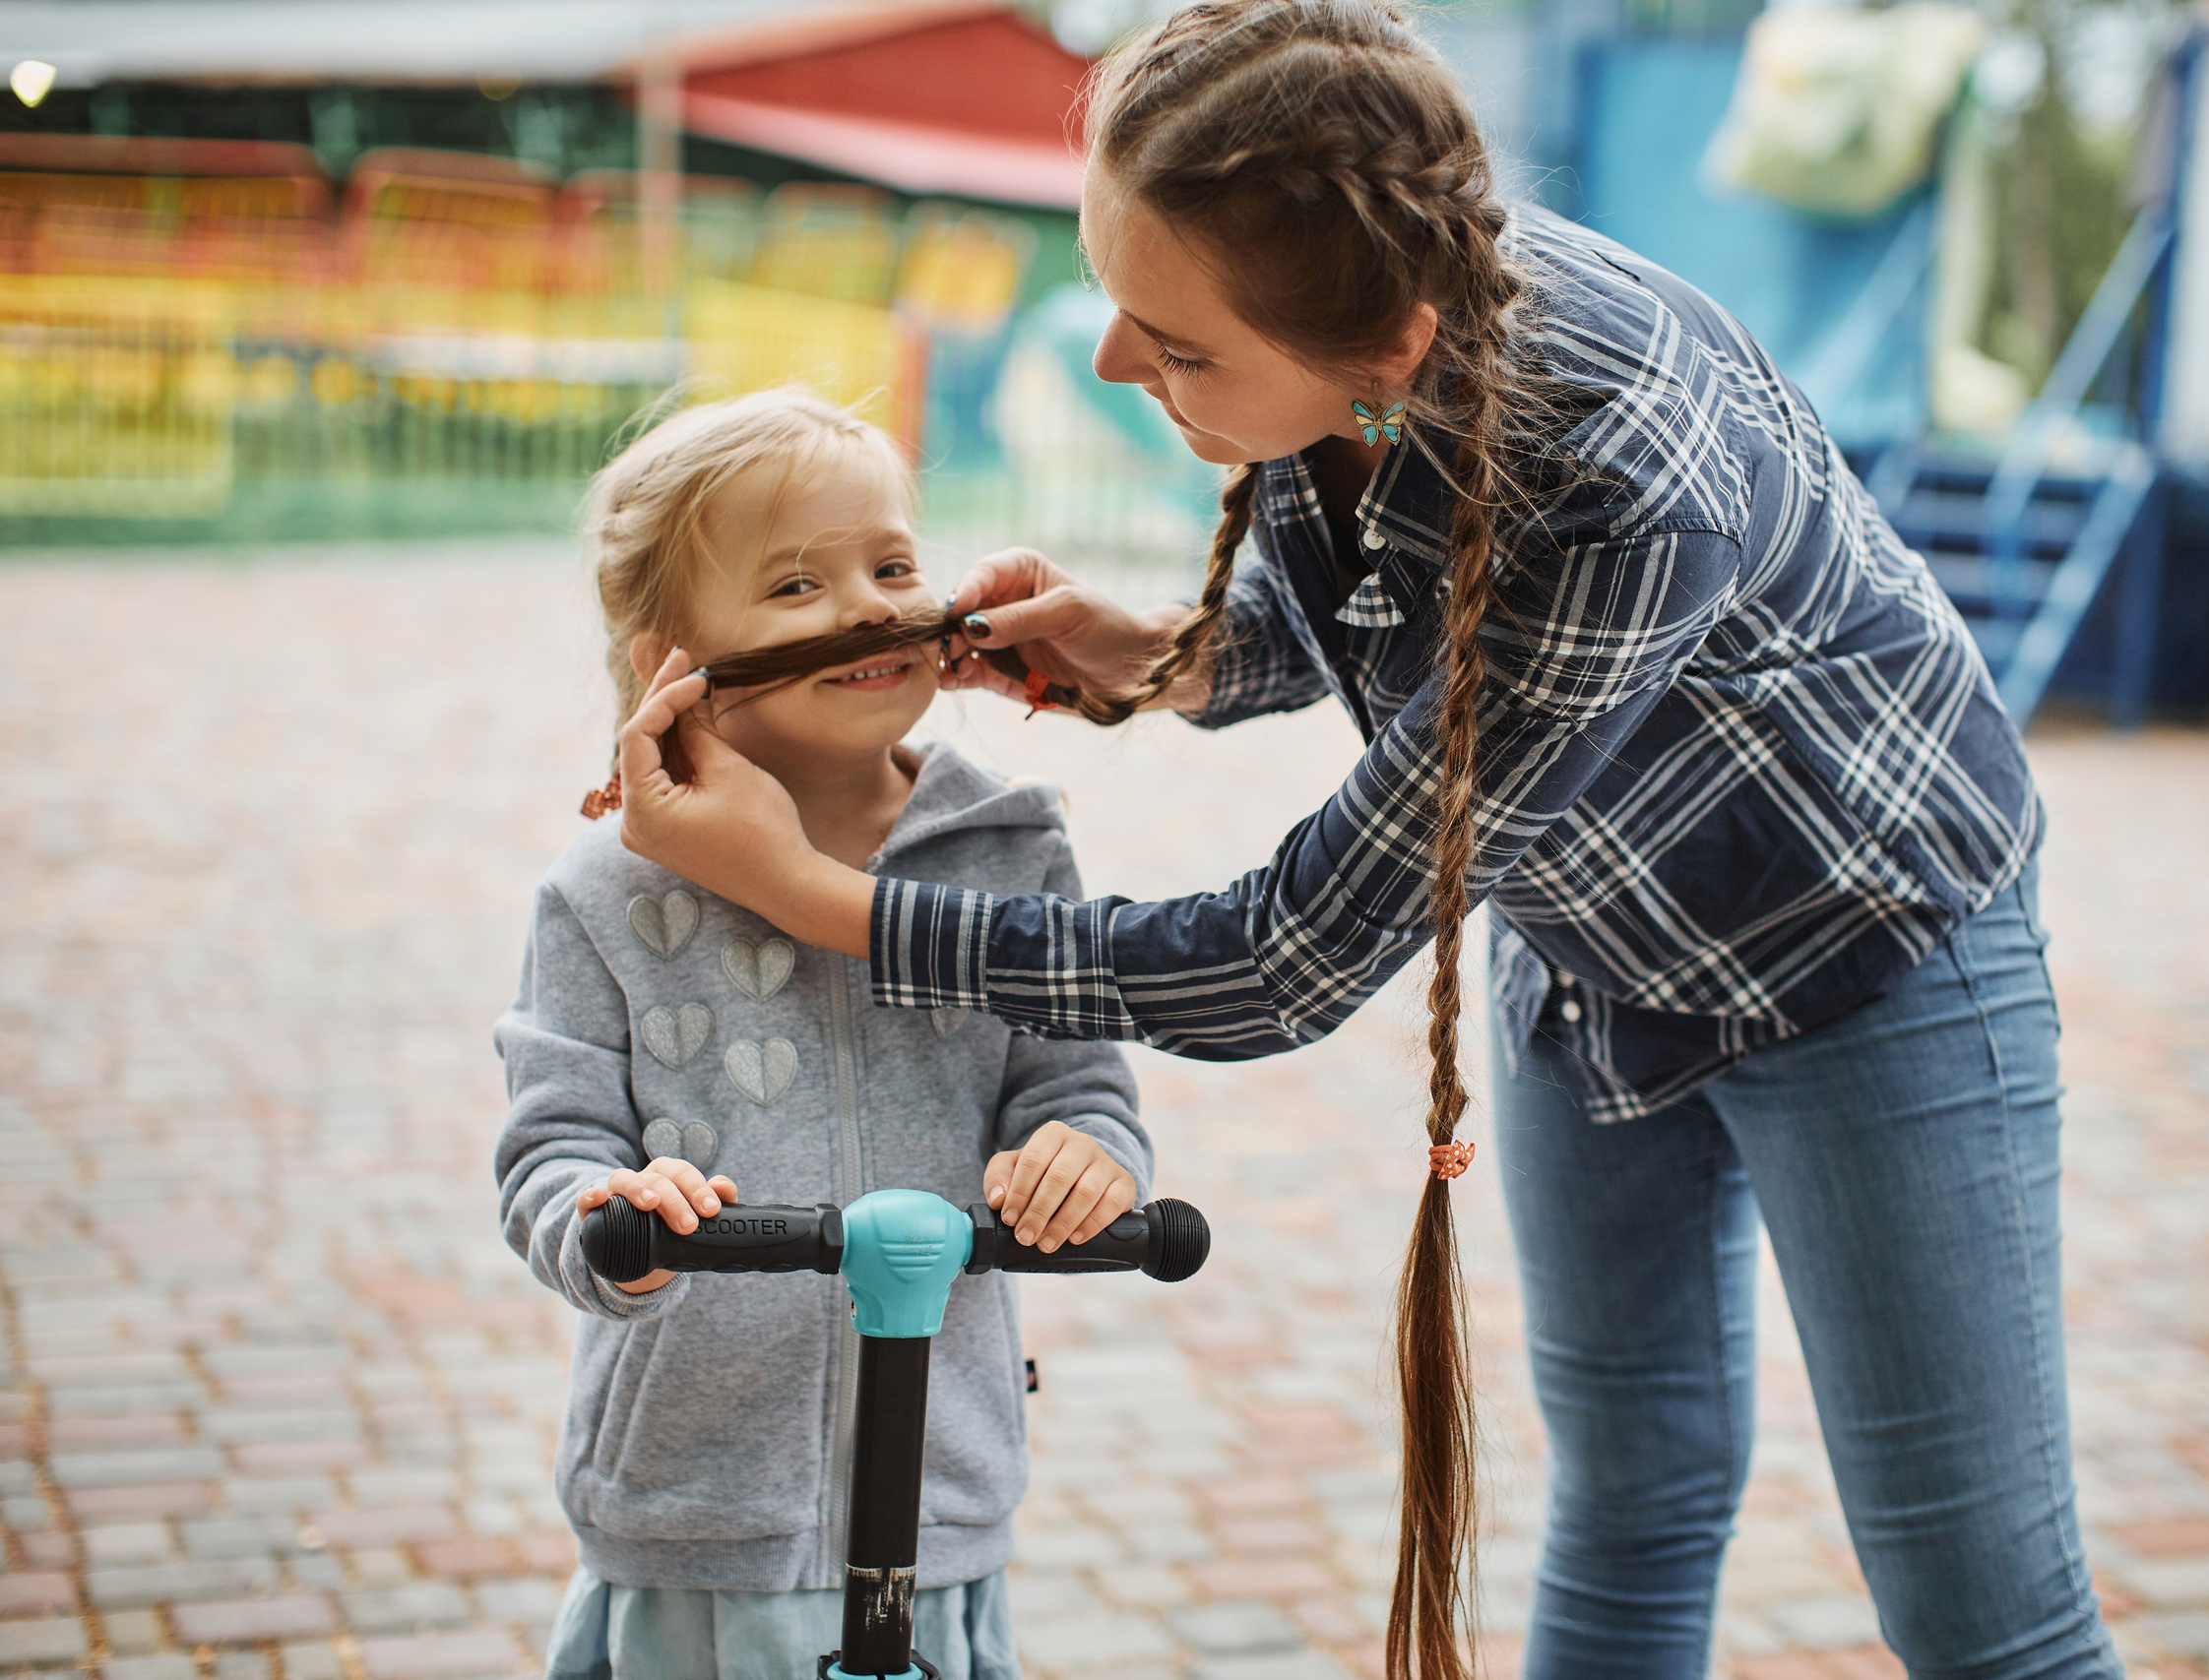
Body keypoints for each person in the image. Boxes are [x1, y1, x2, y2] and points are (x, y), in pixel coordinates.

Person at [611, 7, 2119, 1680]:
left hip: (1862, 946)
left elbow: (1277, 959)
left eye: (1174, 347)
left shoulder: (1610, 472)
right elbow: (1399, 585)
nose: (1119, 361)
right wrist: (1160, 655)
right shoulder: (1382, 255)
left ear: (1389, 347)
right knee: (1631, 1506)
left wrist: (816, 898)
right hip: (1595, 941)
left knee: (1985, 1620)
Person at [492, 388, 1152, 1680]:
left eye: (893, 566)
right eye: (795, 586)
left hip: (937, 1485)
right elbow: (550, 1144)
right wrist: (610, 1213)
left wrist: (1083, 1142)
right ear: (670, 661)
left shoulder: (1012, 845)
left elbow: (1074, 1071)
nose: (866, 607)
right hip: (700, 1500)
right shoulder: (605, 894)